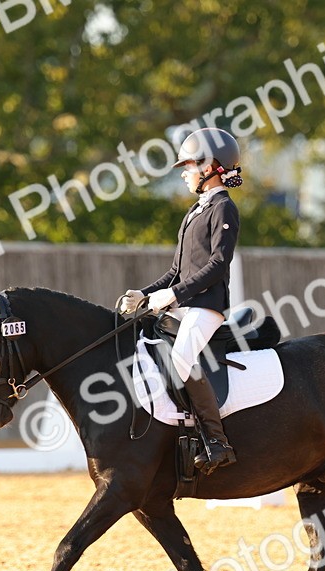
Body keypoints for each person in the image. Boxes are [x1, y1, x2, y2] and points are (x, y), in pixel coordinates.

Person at [120, 127, 244, 474]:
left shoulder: (223, 208)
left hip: (206, 307)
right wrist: (145, 294)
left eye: (188, 167)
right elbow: (176, 269)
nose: (185, 175)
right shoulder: (194, 212)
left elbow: (218, 264)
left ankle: (216, 441)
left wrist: (173, 295)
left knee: (182, 357)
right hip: (185, 305)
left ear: (209, 167)